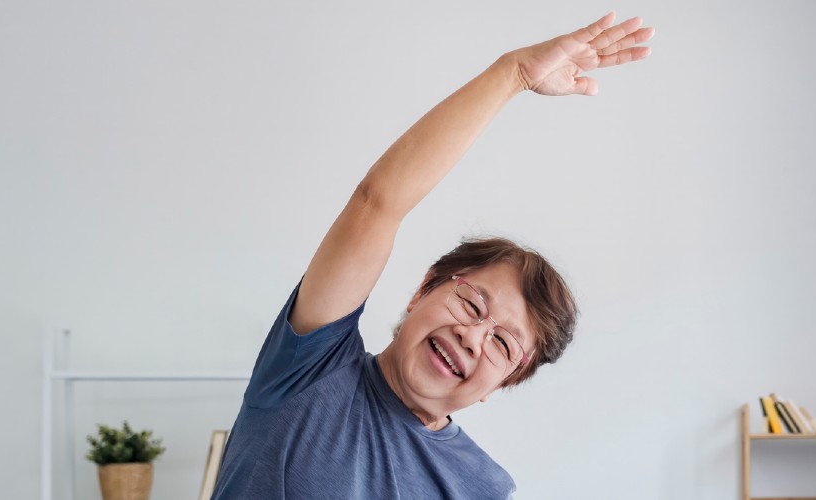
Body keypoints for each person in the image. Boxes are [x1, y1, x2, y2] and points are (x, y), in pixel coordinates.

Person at [211, 13, 654, 499]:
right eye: (472, 305)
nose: (473, 336)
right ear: (425, 288)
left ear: (504, 383)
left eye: (503, 345)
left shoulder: (482, 486)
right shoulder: (309, 366)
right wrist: (514, 74)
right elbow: (377, 204)